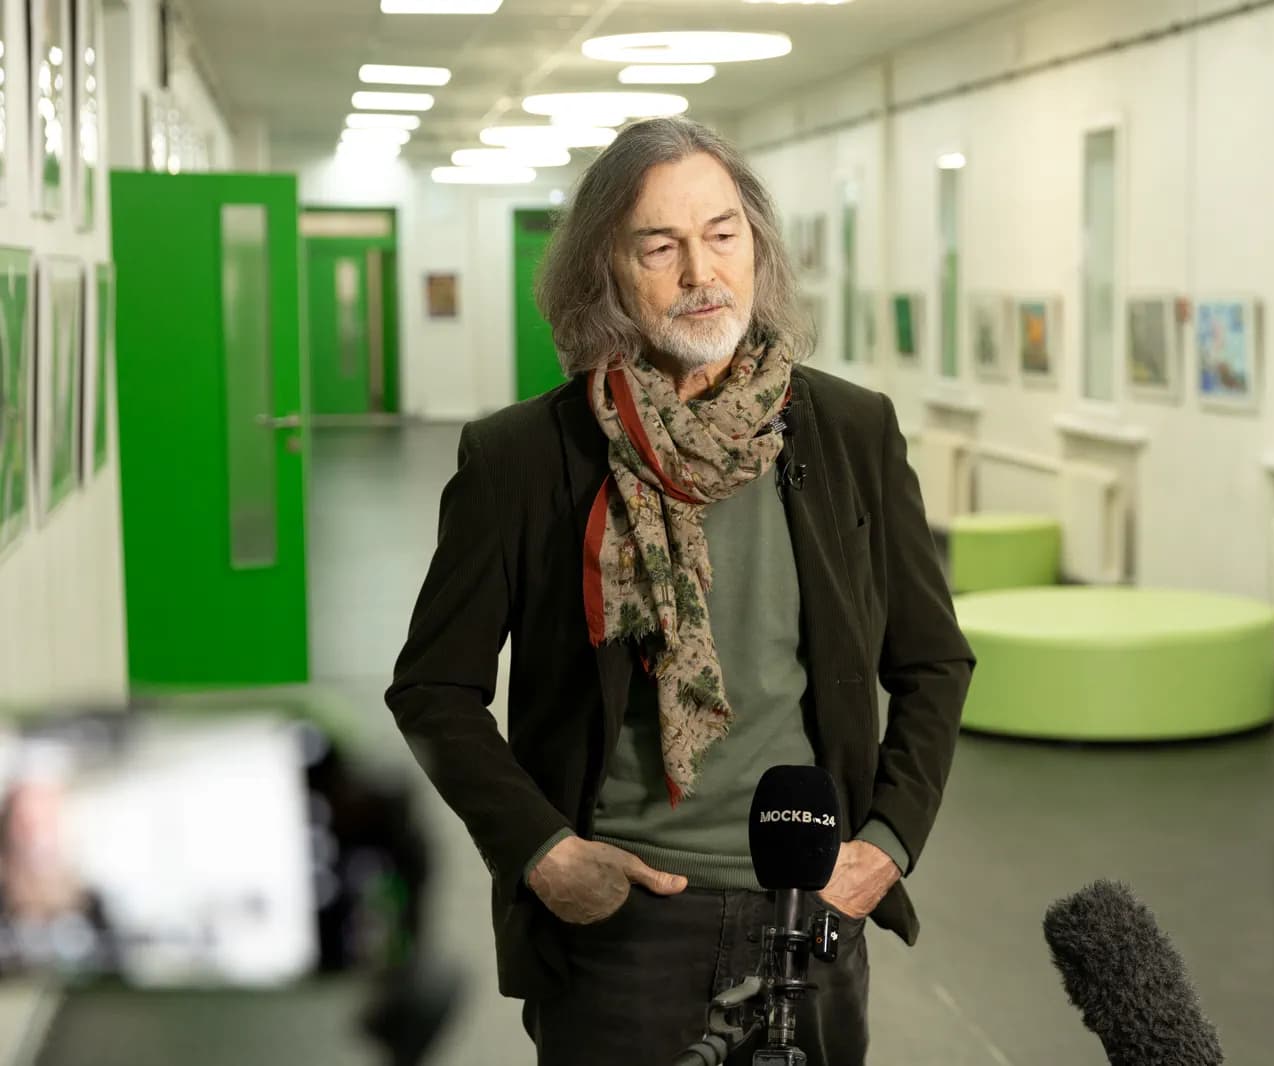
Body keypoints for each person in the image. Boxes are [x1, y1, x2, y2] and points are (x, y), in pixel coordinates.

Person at [386, 116, 974, 1066]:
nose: (702, 271)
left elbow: (933, 659)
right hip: (621, 926)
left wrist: (889, 843)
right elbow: (433, 691)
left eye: (723, 234)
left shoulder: (850, 432)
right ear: (605, 274)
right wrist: (543, 853)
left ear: (756, 247)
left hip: (813, 904)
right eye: (660, 247)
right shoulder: (525, 459)